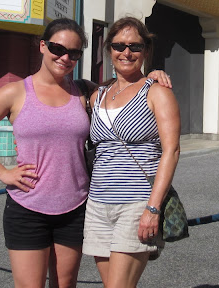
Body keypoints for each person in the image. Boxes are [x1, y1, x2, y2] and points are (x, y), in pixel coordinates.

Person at [0, 17, 171, 288]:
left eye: (73, 53)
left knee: (65, 284)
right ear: (42, 46)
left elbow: (124, 90)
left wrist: (152, 75)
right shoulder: (16, 92)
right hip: (28, 207)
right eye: (57, 49)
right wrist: (3, 173)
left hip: (75, 207)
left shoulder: (84, 92)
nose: (64, 58)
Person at [82, 17, 181, 288]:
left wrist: (153, 208)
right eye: (119, 46)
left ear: (146, 51)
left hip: (136, 203)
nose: (126, 52)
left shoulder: (157, 93)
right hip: (98, 205)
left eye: (135, 46)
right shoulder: (98, 95)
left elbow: (171, 151)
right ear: (109, 50)